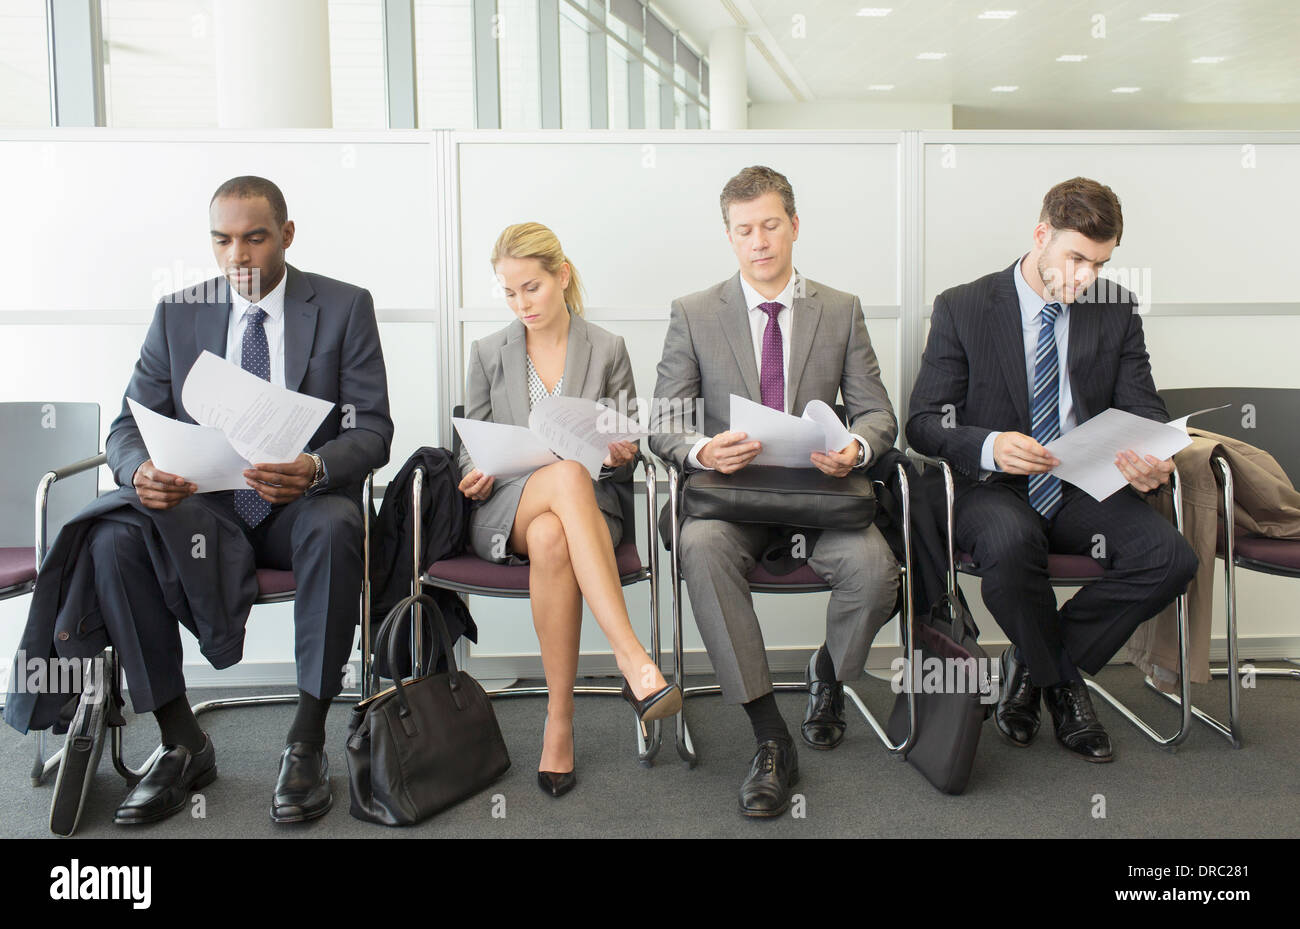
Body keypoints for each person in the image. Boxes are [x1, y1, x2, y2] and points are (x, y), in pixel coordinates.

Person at [98, 176, 391, 823]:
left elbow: (373, 430)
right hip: (206, 508)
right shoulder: (178, 312)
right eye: (223, 240)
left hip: (298, 507)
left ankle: (307, 738)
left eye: (254, 238)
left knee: (338, 523)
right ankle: (181, 741)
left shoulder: (343, 307)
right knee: (115, 536)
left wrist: (315, 466)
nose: (239, 256)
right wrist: (138, 466)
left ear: (285, 235)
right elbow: (125, 424)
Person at [907, 176, 1197, 763]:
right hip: (994, 487)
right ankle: (1064, 686)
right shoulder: (963, 306)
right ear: (1041, 235)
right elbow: (922, 423)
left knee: (1170, 559)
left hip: (1079, 484)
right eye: (1076, 258)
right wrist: (989, 444)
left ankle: (1033, 665)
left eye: (1100, 263)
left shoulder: (1113, 310)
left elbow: (1145, 407)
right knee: (1013, 550)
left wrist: (1150, 457)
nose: (1086, 277)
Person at [649, 166, 900, 818]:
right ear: (729, 236)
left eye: (769, 225)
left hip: (819, 494)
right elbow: (664, 423)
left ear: (793, 225)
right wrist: (702, 449)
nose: (758, 241)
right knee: (698, 547)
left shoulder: (838, 308)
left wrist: (858, 447)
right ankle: (769, 737)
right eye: (743, 230)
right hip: (730, 499)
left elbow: (878, 414)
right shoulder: (695, 312)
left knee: (876, 571)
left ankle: (827, 672)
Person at [457, 222, 682, 798]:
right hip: (509, 506)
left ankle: (559, 723)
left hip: (586, 509)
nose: (521, 303)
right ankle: (634, 659)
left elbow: (626, 450)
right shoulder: (488, 353)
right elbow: (467, 450)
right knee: (557, 476)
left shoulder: (607, 348)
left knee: (558, 529)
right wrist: (475, 472)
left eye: (530, 287)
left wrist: (618, 451)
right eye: (509, 292)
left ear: (562, 276)